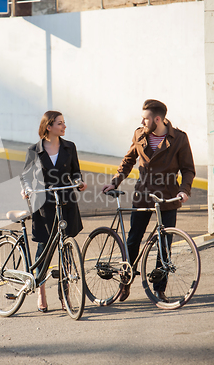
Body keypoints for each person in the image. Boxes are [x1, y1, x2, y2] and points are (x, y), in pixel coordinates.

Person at [102, 99, 195, 303]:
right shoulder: (139, 134)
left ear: (158, 119)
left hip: (167, 198)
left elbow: (188, 169)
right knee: (133, 240)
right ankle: (125, 281)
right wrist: (115, 181)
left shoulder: (179, 139)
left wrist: (184, 190)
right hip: (143, 196)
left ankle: (159, 289)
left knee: (164, 245)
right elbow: (128, 161)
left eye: (145, 118)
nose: (142, 122)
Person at [21, 111, 87, 312]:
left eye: (64, 123)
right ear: (49, 126)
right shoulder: (34, 150)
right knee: (44, 248)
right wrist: (26, 188)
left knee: (65, 249)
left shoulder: (70, 147)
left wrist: (78, 182)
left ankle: (64, 294)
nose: (64, 127)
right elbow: (25, 176)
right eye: (60, 123)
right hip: (44, 204)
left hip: (66, 202)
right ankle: (41, 292)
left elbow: (75, 172)